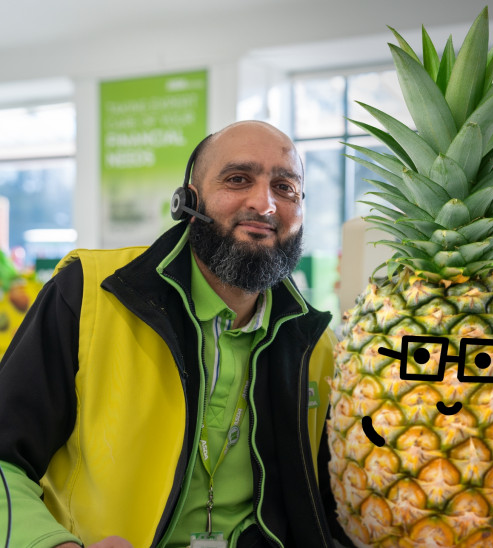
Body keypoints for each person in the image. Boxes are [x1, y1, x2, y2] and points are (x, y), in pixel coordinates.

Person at [0, 121, 342, 548]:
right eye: (238, 179)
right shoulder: (88, 293)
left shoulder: (316, 344)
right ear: (188, 201)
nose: (265, 203)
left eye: (285, 187)